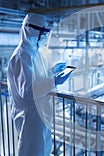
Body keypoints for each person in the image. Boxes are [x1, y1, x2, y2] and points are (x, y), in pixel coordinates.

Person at [7, 13, 70, 156]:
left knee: (43, 149)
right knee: (31, 151)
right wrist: (54, 81)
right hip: (30, 117)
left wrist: (52, 71)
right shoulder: (21, 56)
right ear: (31, 30)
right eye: (44, 32)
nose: (45, 36)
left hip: (40, 114)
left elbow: (37, 77)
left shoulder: (34, 53)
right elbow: (28, 91)